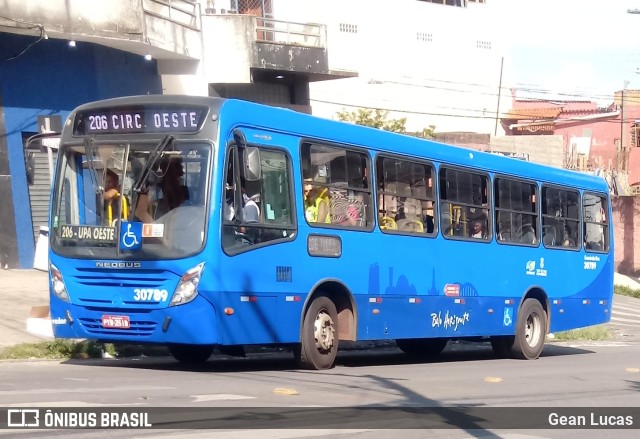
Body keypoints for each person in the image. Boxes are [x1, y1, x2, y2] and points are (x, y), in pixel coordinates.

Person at [135, 157, 186, 223]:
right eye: (174, 173)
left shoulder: (179, 191)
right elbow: (140, 212)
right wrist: (156, 227)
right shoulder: (152, 188)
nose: (178, 178)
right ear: (165, 172)